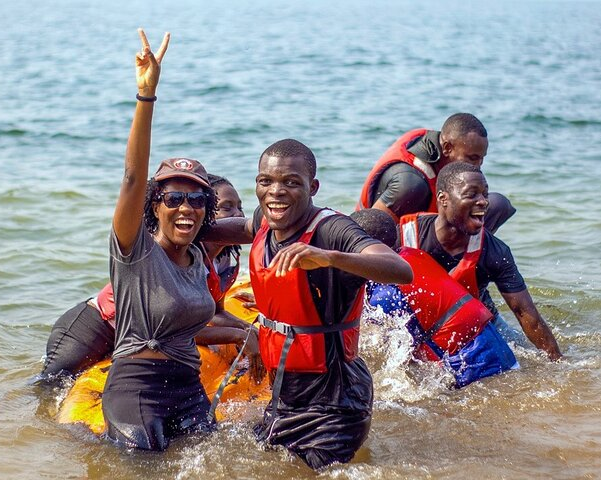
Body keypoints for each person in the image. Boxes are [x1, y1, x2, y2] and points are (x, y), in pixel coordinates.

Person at [206, 138, 413, 470]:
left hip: (335, 405)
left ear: (312, 187)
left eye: (291, 182)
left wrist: (327, 257)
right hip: (285, 399)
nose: (276, 191)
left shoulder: (331, 230)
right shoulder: (266, 218)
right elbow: (245, 229)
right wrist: (193, 231)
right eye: (266, 181)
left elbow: (401, 271)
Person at [98, 28, 251, 451]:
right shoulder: (136, 250)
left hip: (187, 387)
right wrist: (147, 95)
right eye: (174, 197)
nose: (186, 207)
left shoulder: (200, 256)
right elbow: (132, 177)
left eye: (197, 199)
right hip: (137, 389)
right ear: (156, 206)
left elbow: (255, 227)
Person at [39, 173, 259, 382]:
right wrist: (236, 335)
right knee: (51, 384)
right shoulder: (174, 253)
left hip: (138, 340)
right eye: (227, 208)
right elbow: (176, 329)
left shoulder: (224, 262)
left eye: (239, 207)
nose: (238, 215)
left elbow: (216, 312)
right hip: (97, 327)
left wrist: (248, 328)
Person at [397, 161, 562, 361]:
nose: (483, 201)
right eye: (472, 194)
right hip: (415, 324)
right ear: (443, 199)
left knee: (523, 360)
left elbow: (526, 314)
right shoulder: (404, 236)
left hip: (477, 325)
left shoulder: (495, 252)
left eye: (485, 194)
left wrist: (558, 362)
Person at [351, 208, 519, 388]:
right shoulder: (412, 254)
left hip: (476, 370)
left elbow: (396, 351)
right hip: (502, 355)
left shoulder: (386, 293)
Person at [356, 113, 515, 233]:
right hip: (397, 248)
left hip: (437, 236)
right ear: (447, 148)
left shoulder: (446, 157)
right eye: (472, 158)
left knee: (498, 205)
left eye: (481, 159)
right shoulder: (409, 183)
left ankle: (469, 263)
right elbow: (367, 231)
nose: (478, 166)